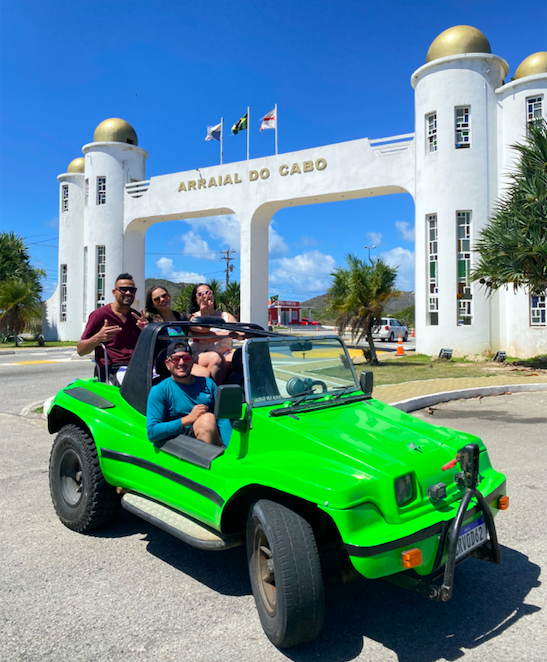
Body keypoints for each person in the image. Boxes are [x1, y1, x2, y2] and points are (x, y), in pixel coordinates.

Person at [146, 340, 231, 447]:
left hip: (207, 436)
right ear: (167, 364)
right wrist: (188, 419)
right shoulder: (159, 390)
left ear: (193, 362)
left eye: (186, 358)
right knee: (207, 419)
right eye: (175, 359)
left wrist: (230, 451)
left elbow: (222, 418)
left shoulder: (208, 384)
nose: (181, 363)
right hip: (177, 442)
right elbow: (152, 432)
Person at [77, 273, 147, 383]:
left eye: (132, 290)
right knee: (137, 383)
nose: (128, 293)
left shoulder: (137, 318)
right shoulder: (99, 315)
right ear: (114, 292)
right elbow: (80, 350)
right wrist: (98, 337)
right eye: (123, 289)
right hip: (113, 369)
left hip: (138, 366)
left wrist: (147, 330)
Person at [189, 283, 238, 384]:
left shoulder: (226, 316)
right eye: (200, 294)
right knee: (216, 358)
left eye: (208, 292)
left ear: (213, 296)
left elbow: (238, 331)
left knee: (242, 357)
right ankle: (214, 394)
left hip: (225, 354)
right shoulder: (193, 318)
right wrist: (228, 334)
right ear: (195, 299)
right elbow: (206, 336)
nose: (205, 296)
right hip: (201, 355)